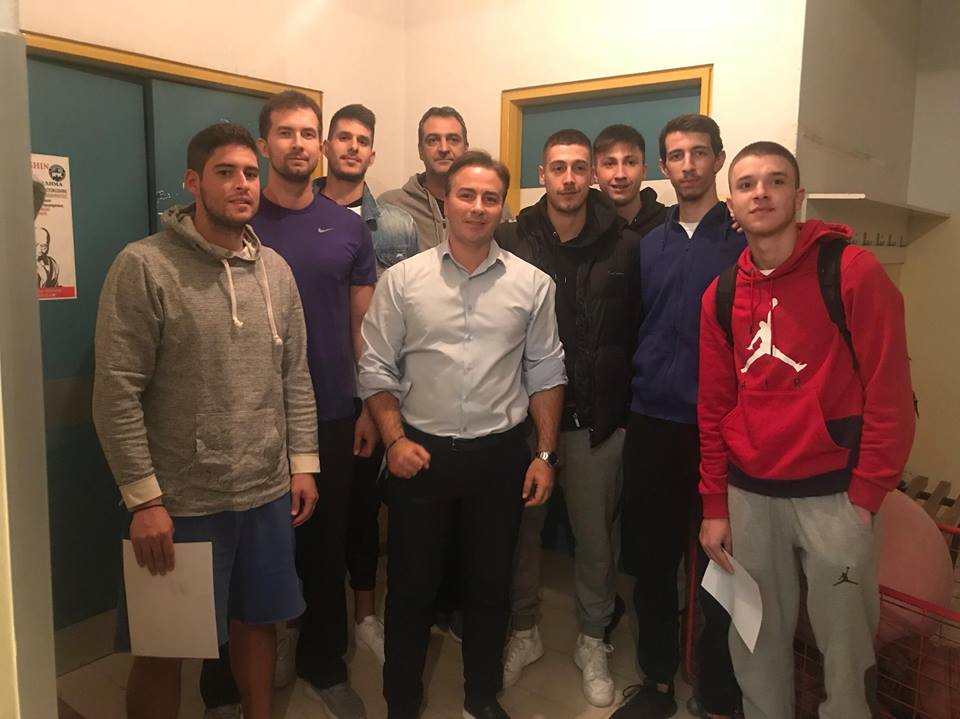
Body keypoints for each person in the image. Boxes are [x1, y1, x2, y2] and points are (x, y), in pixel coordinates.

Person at [92, 122, 320, 719]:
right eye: (225, 172)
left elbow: (295, 375)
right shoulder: (145, 266)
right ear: (194, 182)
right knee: (164, 647)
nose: (242, 184)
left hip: (265, 492)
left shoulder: (276, 271)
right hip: (181, 503)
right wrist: (144, 501)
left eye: (249, 172)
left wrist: (302, 464)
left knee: (259, 623)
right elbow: (116, 392)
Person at [698, 141, 916, 718]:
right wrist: (715, 503)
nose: (761, 193)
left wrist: (867, 493)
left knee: (846, 652)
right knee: (756, 638)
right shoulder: (720, 295)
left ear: (798, 197)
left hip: (836, 496)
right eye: (746, 184)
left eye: (775, 181)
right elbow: (714, 408)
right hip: (749, 495)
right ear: (731, 204)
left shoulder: (853, 272)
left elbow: (890, 393)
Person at [360, 150, 566, 719]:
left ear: (503, 207)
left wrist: (545, 454)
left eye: (490, 198)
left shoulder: (533, 285)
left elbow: (546, 370)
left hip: (499, 460)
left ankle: (481, 696)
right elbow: (375, 367)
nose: (477, 207)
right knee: (410, 589)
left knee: (489, 587)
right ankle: (402, 702)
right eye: (466, 195)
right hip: (418, 456)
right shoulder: (402, 281)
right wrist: (394, 440)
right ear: (445, 202)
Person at [199, 90, 377, 719]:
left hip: (329, 414)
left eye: (308, 133)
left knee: (324, 550)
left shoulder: (349, 229)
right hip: (244, 418)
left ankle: (323, 664)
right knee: (234, 555)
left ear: (321, 144)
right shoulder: (235, 218)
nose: (298, 144)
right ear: (264, 142)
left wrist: (368, 406)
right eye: (285, 133)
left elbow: (363, 329)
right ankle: (224, 686)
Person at [495, 129, 641, 707]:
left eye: (580, 167)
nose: (570, 178)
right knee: (520, 535)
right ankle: (523, 630)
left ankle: (592, 638)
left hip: (596, 423)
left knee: (595, 540)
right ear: (542, 174)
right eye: (559, 167)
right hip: (522, 419)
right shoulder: (511, 238)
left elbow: (639, 328)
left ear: (593, 174)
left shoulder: (624, 245)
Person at [613, 114, 744, 719]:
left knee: (723, 565)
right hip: (652, 422)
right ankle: (658, 681)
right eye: (676, 155)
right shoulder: (649, 245)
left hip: (722, 426)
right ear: (663, 167)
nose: (687, 165)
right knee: (654, 560)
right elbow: (634, 325)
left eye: (699, 153)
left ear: (718, 158)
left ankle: (718, 690)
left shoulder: (743, 240)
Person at [314, 102, 419, 666]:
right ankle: (302, 624)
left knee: (360, 514)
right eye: (343, 137)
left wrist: (377, 405)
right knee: (305, 518)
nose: (352, 147)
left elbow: (410, 315)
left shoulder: (396, 226)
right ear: (327, 147)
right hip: (303, 392)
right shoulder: (294, 216)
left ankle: (364, 618)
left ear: (372, 153)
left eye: (362, 140)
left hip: (368, 394)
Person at [379, 106, 512, 251]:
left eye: (453, 140)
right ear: (420, 150)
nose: (443, 148)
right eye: (433, 140)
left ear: (465, 148)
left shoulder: (492, 206)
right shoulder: (391, 206)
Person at [593, 123, 667, 236]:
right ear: (595, 174)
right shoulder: (582, 228)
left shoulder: (669, 224)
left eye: (630, 162)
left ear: (643, 171)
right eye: (610, 164)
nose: (620, 175)